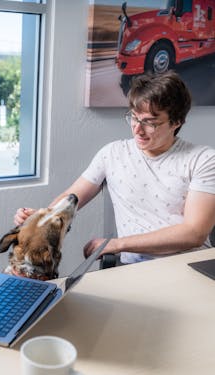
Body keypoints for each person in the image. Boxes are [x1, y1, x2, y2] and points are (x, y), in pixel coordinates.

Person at [15, 71, 215, 264]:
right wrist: (40, 217)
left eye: (150, 123)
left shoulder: (203, 160)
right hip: (134, 270)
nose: (137, 129)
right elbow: (71, 199)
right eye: (134, 117)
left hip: (188, 265)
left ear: (176, 122)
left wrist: (118, 244)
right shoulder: (112, 153)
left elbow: (194, 233)